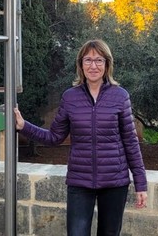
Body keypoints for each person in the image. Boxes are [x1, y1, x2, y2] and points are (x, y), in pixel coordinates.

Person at [14, 39, 147, 236]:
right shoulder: (70, 97)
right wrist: (24, 126)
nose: (93, 66)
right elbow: (54, 137)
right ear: (81, 64)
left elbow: (131, 142)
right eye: (88, 60)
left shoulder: (120, 96)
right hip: (79, 182)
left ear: (107, 64)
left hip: (114, 181)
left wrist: (140, 183)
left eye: (99, 60)